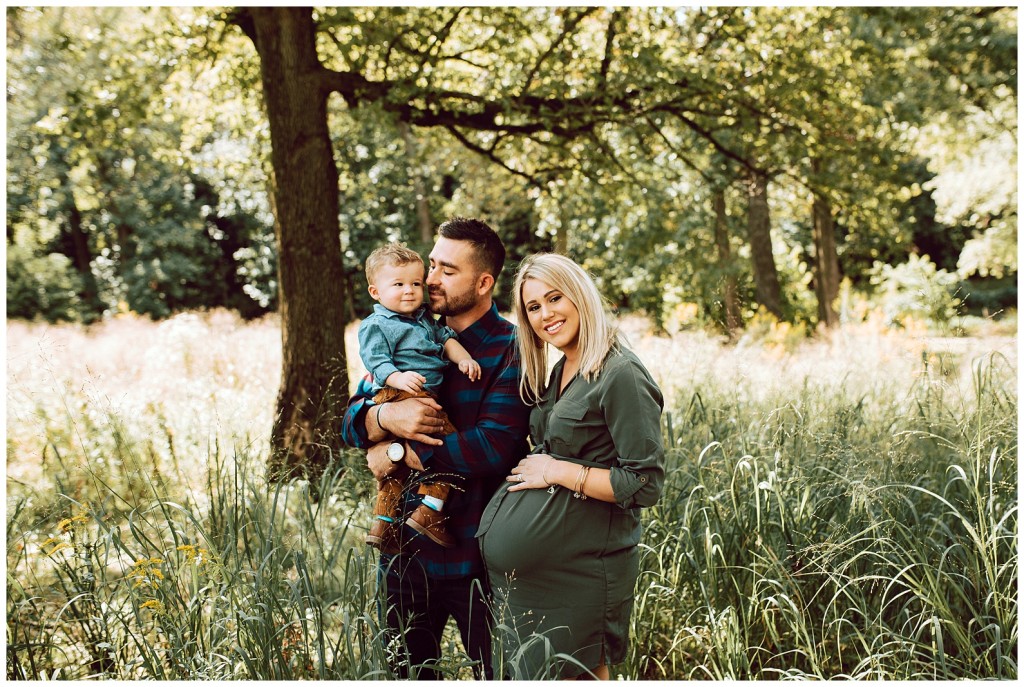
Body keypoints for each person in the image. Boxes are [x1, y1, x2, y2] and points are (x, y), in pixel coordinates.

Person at [341, 218, 530, 680]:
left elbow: (494, 447)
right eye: (431, 265)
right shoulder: (402, 330)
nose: (428, 279)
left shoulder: (512, 349)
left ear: (484, 282)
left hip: (477, 552)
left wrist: (398, 454)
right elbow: (352, 420)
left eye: (447, 270)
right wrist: (385, 418)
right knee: (407, 672)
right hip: (403, 551)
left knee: (498, 672)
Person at [477, 253, 665, 680]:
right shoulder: (564, 366)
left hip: (581, 574)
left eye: (554, 298)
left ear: (579, 294)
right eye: (533, 308)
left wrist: (561, 473)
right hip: (531, 584)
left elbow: (644, 483)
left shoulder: (621, 373)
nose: (546, 314)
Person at [357, 242, 482, 554]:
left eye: (415, 283)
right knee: (451, 451)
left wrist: (464, 358)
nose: (410, 291)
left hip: (419, 394)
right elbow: (377, 362)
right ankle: (430, 509)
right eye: (398, 285)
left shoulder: (425, 318)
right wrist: (398, 379)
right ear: (376, 292)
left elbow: (447, 340)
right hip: (400, 392)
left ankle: (382, 525)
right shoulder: (377, 324)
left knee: (395, 473)